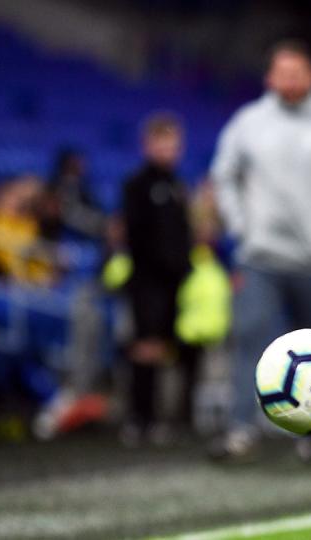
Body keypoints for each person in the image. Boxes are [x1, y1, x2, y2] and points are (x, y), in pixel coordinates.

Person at [209, 40, 311, 461]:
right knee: (248, 339)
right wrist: (242, 227)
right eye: (282, 73)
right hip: (259, 259)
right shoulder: (248, 123)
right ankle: (241, 430)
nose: (290, 80)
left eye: (297, 72)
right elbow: (223, 176)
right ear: (270, 78)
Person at [120, 112, 199, 445]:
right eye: (162, 144)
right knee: (146, 347)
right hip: (147, 281)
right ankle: (139, 418)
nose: (168, 151)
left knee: (166, 348)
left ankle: (162, 418)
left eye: (173, 145)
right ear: (148, 145)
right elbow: (134, 235)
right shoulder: (137, 185)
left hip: (173, 283)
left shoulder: (178, 186)